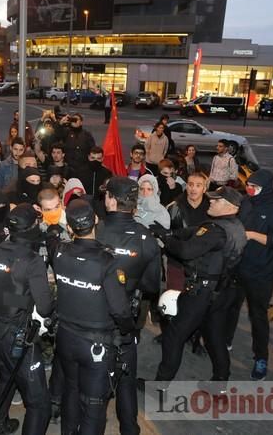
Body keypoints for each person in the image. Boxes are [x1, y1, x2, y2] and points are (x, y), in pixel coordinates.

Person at [47, 199, 135, 435]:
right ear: (96, 220)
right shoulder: (106, 261)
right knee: (94, 405)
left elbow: (50, 239)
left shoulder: (59, 253)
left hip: (65, 339)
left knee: (71, 392)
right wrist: (129, 330)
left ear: (70, 227)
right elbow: (120, 310)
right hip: (96, 345)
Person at [153, 187, 247, 384]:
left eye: (216, 200)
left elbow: (186, 251)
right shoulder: (235, 225)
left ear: (230, 206)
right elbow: (193, 232)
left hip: (201, 293)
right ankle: (220, 382)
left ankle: (159, 386)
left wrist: (166, 238)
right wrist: (170, 231)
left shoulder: (216, 231)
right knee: (215, 338)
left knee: (173, 336)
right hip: (222, 291)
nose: (210, 202)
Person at [96, 177, 162, 435]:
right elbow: (152, 286)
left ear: (111, 199)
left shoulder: (95, 230)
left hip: (94, 317)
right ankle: (129, 428)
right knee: (126, 378)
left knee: (93, 383)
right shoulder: (146, 238)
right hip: (126, 321)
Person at [0, 204, 54, 435]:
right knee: (39, 402)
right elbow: (44, 308)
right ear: (31, 227)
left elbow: (0, 290)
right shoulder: (32, 261)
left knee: (6, 375)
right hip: (17, 335)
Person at [225, 169, 273, 381]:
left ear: (265, 188)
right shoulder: (247, 202)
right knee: (231, 306)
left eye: (254, 187)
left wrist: (254, 236)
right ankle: (226, 341)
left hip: (262, 273)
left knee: (258, 316)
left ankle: (261, 358)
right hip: (239, 266)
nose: (250, 189)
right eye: (248, 185)